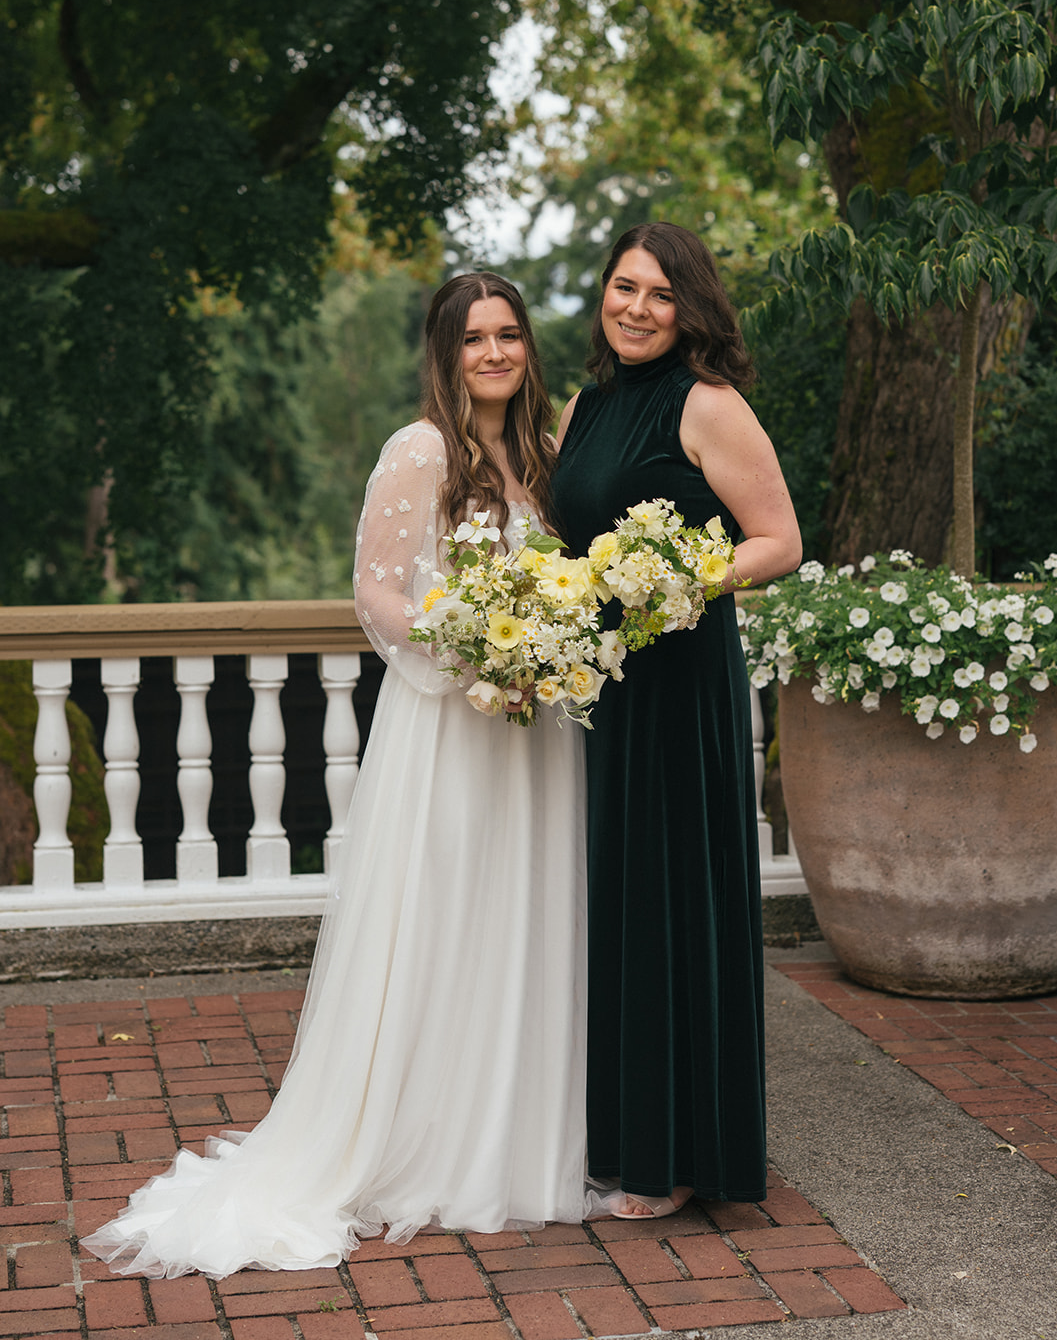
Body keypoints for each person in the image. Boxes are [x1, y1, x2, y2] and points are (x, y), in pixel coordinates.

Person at [82, 272, 611, 1280]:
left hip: (538, 727)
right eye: (473, 338)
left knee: (527, 915)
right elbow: (371, 589)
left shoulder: (547, 456)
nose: (493, 353)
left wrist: (543, 652)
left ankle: (516, 1129)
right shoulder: (418, 451)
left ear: (527, 349)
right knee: (445, 914)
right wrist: (472, 649)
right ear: (445, 352)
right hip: (450, 722)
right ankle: (421, 1133)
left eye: (508, 336)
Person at [551, 222, 802, 1221]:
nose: (636, 307)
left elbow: (777, 540)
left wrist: (677, 577)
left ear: (689, 305)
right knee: (619, 901)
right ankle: (623, 1135)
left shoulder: (709, 404)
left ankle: (683, 1154)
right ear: (602, 295)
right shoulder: (587, 404)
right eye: (623, 287)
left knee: (671, 900)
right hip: (607, 685)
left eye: (659, 293)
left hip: (681, 679)